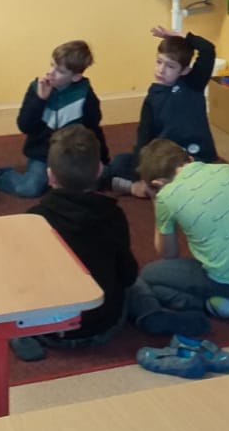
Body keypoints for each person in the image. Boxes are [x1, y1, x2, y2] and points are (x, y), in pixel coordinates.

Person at [125, 138, 229, 336]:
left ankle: (221, 306)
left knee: (149, 276)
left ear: (157, 183)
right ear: (190, 158)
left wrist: (156, 200)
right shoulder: (228, 169)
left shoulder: (166, 197)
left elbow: (168, 253)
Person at [9, 126, 137, 361]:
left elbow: (24, 280)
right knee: (138, 286)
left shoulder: (35, 219)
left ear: (49, 176)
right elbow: (128, 275)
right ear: (100, 170)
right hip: (105, 326)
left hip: (51, 330)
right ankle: (148, 312)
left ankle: (22, 334)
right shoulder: (113, 215)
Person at [103, 26, 216, 197]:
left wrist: (180, 36)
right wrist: (141, 173)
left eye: (170, 66)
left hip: (197, 158)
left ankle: (158, 188)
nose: (161, 70)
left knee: (205, 177)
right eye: (159, 62)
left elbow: (208, 49)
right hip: (167, 161)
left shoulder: (193, 84)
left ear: (185, 70)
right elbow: (144, 137)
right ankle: (135, 186)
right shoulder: (152, 97)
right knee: (119, 163)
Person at [0, 39, 109, 199]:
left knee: (95, 182)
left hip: (72, 155)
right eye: (51, 65)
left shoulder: (85, 94)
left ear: (76, 77)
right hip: (42, 155)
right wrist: (40, 100)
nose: (50, 73)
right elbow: (24, 126)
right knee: (30, 188)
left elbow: (93, 130)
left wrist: (103, 159)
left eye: (60, 71)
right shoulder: (37, 87)